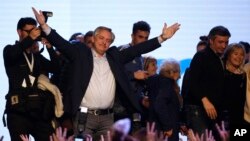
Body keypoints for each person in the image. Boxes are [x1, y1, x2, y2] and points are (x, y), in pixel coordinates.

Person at [32, 7, 180, 140]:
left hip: (108, 117)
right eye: (101, 38)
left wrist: (162, 38)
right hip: (85, 116)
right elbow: (61, 43)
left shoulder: (114, 56)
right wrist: (44, 25)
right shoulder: (81, 54)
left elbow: (138, 49)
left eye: (108, 40)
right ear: (94, 38)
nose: (104, 42)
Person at [3, 17, 60, 141]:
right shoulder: (10, 50)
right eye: (28, 32)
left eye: (34, 31)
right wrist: (31, 38)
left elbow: (56, 68)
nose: (33, 35)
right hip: (18, 112)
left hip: (37, 111)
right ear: (19, 32)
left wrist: (50, 48)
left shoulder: (37, 57)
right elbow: (12, 55)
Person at [184, 25, 231, 140]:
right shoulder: (201, 56)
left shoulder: (220, 58)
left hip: (213, 111)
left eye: (226, 42)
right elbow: (193, 81)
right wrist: (205, 100)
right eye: (220, 42)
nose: (224, 45)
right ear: (211, 41)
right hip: (198, 109)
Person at [117, 21, 151, 133]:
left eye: (146, 38)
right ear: (132, 36)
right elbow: (113, 73)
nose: (144, 41)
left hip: (134, 108)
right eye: (140, 37)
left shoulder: (141, 57)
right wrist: (134, 75)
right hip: (120, 107)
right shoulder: (123, 50)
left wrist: (142, 98)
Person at [146, 59, 182, 141]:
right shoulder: (166, 83)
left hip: (156, 128)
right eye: (178, 72)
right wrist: (167, 127)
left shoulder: (155, 80)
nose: (180, 76)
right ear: (172, 72)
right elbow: (159, 104)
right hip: (165, 131)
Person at [222, 43, 247, 131]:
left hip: (240, 118)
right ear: (228, 55)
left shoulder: (244, 75)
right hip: (223, 117)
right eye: (235, 54)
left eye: (241, 54)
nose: (239, 57)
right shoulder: (221, 72)